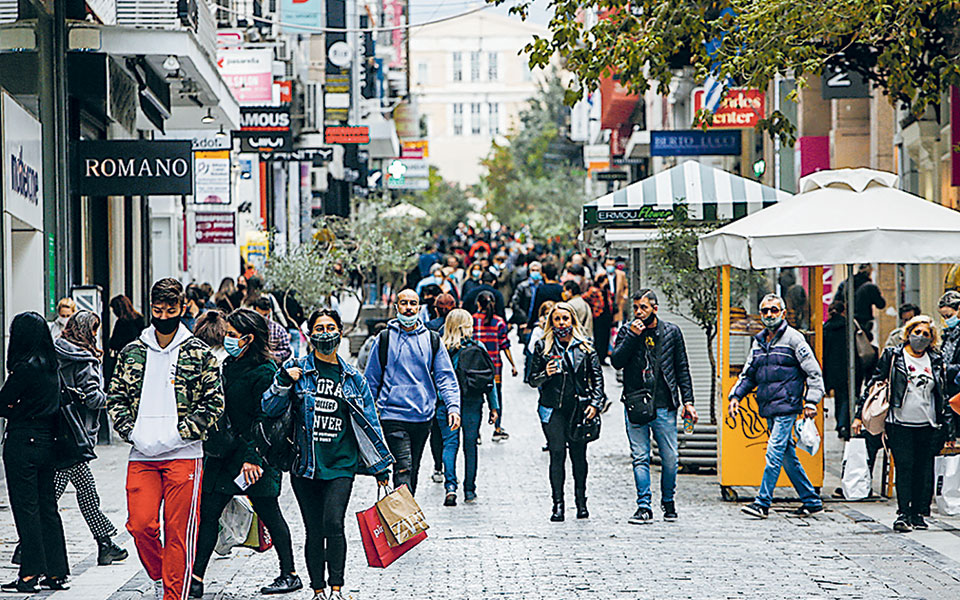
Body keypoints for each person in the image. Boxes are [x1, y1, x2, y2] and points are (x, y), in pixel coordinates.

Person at [263, 309, 393, 600]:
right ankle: (318, 590)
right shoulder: (296, 370)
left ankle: (336, 588)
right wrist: (283, 380)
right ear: (310, 335)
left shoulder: (352, 378)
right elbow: (269, 408)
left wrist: (381, 465)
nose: (325, 333)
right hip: (305, 465)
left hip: (341, 463)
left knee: (334, 523)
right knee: (313, 529)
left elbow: (370, 420)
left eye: (330, 327)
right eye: (319, 328)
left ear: (341, 332)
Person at [107, 278, 224, 600]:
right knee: (140, 525)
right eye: (158, 310)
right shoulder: (132, 351)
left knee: (179, 532)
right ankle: (162, 574)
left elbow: (214, 402)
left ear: (182, 308)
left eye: (170, 309)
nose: (163, 315)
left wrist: (179, 433)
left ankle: (175, 594)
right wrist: (131, 431)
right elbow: (115, 397)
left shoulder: (199, 353)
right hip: (142, 453)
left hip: (185, 453)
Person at [191, 309, 301, 598]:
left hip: (255, 457)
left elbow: (266, 417)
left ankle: (289, 573)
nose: (226, 339)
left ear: (249, 339)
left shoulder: (264, 371)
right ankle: (196, 578)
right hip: (224, 454)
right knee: (209, 513)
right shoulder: (228, 364)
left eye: (231, 335)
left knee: (269, 512)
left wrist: (253, 457)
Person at [854, 316, 954, 532]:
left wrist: (947, 426)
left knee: (923, 469)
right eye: (917, 332)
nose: (920, 337)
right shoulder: (894, 355)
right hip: (899, 423)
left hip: (927, 424)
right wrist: (858, 414)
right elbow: (874, 382)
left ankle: (918, 513)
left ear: (932, 339)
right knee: (904, 466)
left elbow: (942, 394)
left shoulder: (934, 359)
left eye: (926, 334)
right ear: (908, 333)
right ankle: (903, 513)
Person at [732, 294, 824, 519]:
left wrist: (811, 401)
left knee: (773, 452)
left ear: (783, 313)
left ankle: (762, 503)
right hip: (768, 408)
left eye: (774, 310)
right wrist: (735, 396)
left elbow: (813, 373)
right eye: (765, 311)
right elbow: (749, 373)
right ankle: (811, 500)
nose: (769, 315)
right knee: (786, 456)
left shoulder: (795, 339)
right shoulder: (759, 341)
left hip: (788, 407)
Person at [363, 289, 461, 495]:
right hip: (392, 415)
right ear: (396, 307)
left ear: (419, 307)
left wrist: (453, 407)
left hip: (423, 417)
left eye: (413, 304)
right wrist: (367, 415)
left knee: (412, 469)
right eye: (404, 303)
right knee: (403, 467)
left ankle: (404, 514)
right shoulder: (384, 339)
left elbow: (445, 376)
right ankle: (402, 521)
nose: (408, 308)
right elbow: (371, 380)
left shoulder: (432, 340)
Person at [611, 290, 697, 524]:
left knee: (670, 458)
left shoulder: (671, 332)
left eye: (644, 308)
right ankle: (644, 505)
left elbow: (682, 368)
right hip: (636, 403)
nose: (639, 312)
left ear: (655, 308)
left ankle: (668, 501)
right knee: (640, 457)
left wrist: (688, 402)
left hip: (663, 405)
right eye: (636, 307)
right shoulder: (628, 331)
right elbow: (616, 361)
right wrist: (632, 336)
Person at [0, 312, 70, 593]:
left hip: (22, 443)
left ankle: (29, 573)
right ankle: (56, 571)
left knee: (26, 509)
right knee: (47, 508)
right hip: (47, 442)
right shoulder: (52, 367)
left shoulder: (24, 368)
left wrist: (14, 410)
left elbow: (2, 403)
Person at [52, 311, 128, 566]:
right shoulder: (85, 360)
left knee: (65, 490)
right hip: (77, 434)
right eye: (94, 330)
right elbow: (93, 397)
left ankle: (105, 543)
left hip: (59, 430)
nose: (96, 335)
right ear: (87, 331)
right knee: (80, 491)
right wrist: (116, 399)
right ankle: (105, 543)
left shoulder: (56, 350)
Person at [529, 303, 605, 522]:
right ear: (551, 322)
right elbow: (532, 380)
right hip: (552, 409)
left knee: (579, 456)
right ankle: (558, 504)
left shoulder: (585, 347)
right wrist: (546, 373)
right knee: (557, 453)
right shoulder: (543, 347)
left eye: (565, 319)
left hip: (579, 410)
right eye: (557, 319)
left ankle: (581, 503)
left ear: (573, 321)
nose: (562, 323)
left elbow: (597, 379)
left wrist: (595, 404)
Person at [443, 309, 499, 504]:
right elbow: (488, 377)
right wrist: (494, 407)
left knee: (450, 444)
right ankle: (469, 489)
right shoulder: (478, 346)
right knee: (470, 445)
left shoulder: (442, 349)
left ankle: (450, 486)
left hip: (447, 404)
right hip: (473, 402)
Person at [473, 291, 517, 442]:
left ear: (478, 304)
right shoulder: (499, 322)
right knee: (496, 397)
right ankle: (497, 428)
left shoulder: (472, 321)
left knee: (477, 399)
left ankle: (476, 432)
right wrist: (513, 365)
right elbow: (505, 345)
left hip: (476, 366)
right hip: (494, 367)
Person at [837, 264, 886, 338]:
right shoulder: (870, 287)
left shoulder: (845, 284)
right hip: (863, 322)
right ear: (870, 271)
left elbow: (836, 302)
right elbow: (881, 304)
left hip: (846, 321)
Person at [108, 294, 146, 382]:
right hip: (137, 356)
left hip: (123, 357)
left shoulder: (121, 323)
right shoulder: (139, 319)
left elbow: (114, 343)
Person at [583, 272, 615, 365]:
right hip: (598, 317)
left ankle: (603, 357)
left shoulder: (606, 291)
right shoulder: (593, 291)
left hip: (607, 318)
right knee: (599, 338)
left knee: (606, 338)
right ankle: (597, 358)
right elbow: (585, 297)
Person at [252, 296, 293, 362]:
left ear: (269, 311)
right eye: (259, 316)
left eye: (265, 315)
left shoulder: (278, 330)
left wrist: (270, 355)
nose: (262, 319)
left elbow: (287, 351)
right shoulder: (249, 328)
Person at [526, 262, 564, 332]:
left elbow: (536, 307)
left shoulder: (541, 289)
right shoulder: (561, 289)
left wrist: (530, 325)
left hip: (543, 323)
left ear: (544, 275)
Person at [937, 291, 960, 400]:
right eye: (944, 317)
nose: (947, 320)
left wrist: (947, 369)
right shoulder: (947, 334)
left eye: (949, 316)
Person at [605, 257, 629, 326]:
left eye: (612, 265)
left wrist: (625, 295)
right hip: (607, 300)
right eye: (608, 265)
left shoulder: (621, 274)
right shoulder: (602, 275)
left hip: (618, 298)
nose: (610, 267)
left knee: (619, 319)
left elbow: (626, 286)